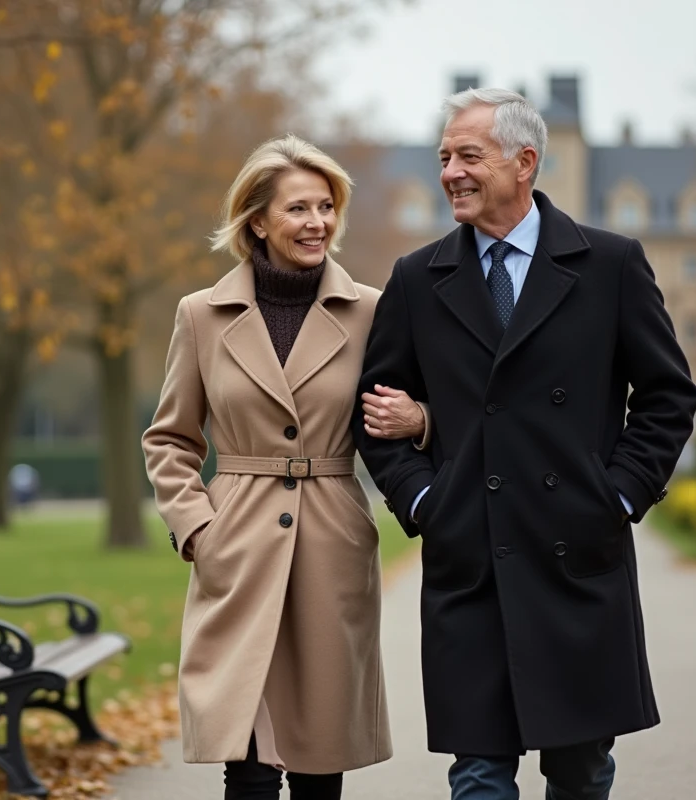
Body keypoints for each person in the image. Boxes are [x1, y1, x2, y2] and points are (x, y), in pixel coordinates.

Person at [354, 88, 696, 800]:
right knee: (478, 774)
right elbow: (375, 415)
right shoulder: (419, 279)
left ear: (526, 162)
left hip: (577, 559)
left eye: (468, 155)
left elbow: (668, 398)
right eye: (444, 156)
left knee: (580, 769)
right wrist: (424, 500)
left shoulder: (611, 264)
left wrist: (621, 494)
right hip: (469, 558)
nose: (449, 171)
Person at [142, 134, 427, 800]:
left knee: (319, 756)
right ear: (257, 220)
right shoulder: (201, 315)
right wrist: (198, 530)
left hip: (330, 539)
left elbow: (406, 414)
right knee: (244, 754)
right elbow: (169, 438)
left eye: (327, 207)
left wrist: (421, 420)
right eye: (299, 208)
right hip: (236, 542)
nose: (318, 223)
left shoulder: (372, 310)